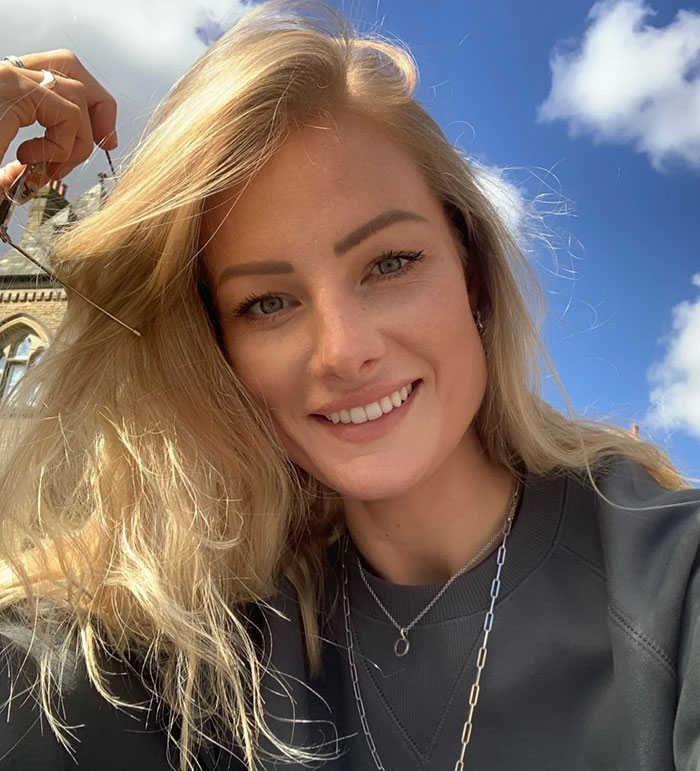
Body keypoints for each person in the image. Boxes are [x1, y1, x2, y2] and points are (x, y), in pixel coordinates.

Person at [0, 1, 699, 769]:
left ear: (472, 270)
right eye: (267, 303)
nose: (343, 350)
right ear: (222, 349)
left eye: (390, 263)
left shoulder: (671, 588)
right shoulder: (190, 647)